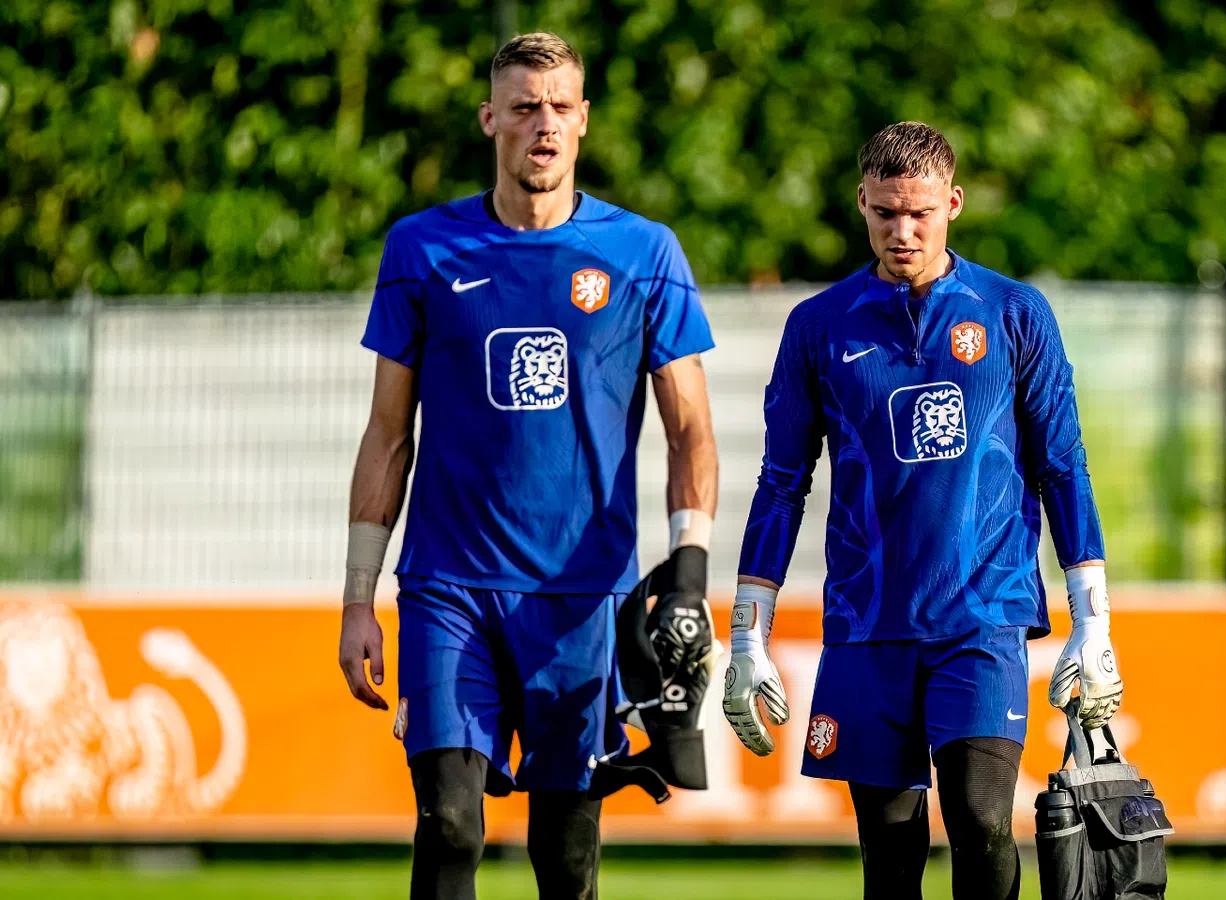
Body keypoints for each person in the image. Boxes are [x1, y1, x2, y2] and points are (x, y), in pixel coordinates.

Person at [333, 32, 719, 900]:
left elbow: (690, 427)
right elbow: (387, 433)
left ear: (583, 120)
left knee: (566, 856)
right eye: (523, 108)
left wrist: (688, 574)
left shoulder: (644, 254)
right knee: (449, 827)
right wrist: (359, 598)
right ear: (490, 120)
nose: (543, 124)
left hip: (584, 596)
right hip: (449, 588)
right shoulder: (420, 249)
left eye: (559, 107)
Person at [721, 122, 1121, 900]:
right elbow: (780, 484)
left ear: (954, 204)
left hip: (982, 615)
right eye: (885, 214)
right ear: (861, 204)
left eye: (921, 214)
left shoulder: (1014, 312)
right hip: (868, 623)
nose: (902, 231)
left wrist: (1093, 620)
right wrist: (746, 637)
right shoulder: (818, 326)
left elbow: (1063, 467)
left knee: (980, 820)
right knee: (892, 851)